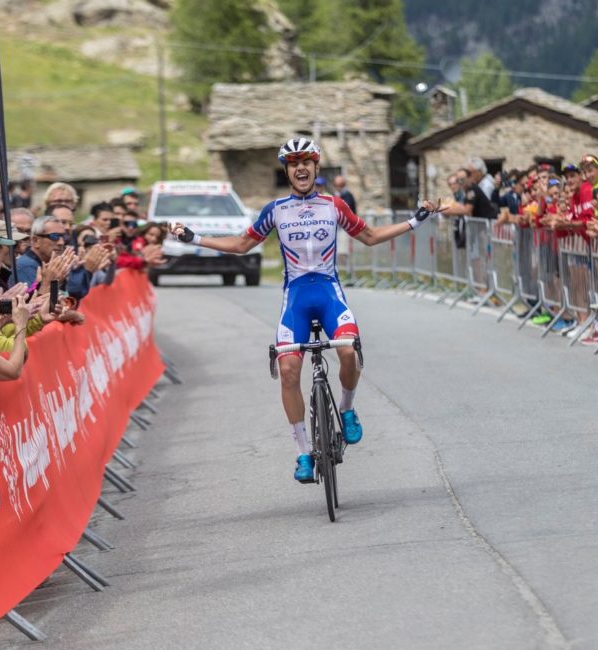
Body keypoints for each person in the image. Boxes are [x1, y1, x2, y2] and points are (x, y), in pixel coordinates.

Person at [170, 137, 445, 483]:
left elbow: (371, 236)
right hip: (296, 300)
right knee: (287, 370)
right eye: (293, 163)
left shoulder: (334, 205)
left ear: (316, 168)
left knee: (348, 352)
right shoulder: (276, 210)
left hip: (329, 294)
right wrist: (193, 238)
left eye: (307, 162)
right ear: (286, 171)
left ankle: (346, 410)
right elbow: (241, 244)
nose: (300, 168)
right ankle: (303, 452)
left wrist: (416, 221)